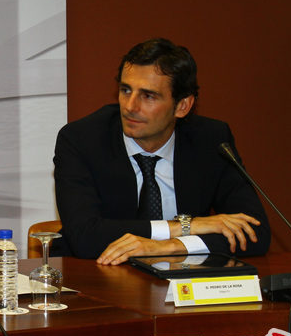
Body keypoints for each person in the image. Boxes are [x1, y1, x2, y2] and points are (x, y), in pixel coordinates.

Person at [53, 38, 270, 265]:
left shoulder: (211, 141)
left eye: (148, 96)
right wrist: (188, 226)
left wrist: (171, 246)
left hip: (183, 285)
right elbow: (84, 236)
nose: (130, 107)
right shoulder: (82, 140)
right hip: (100, 280)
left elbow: (255, 232)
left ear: (182, 106)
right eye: (125, 90)